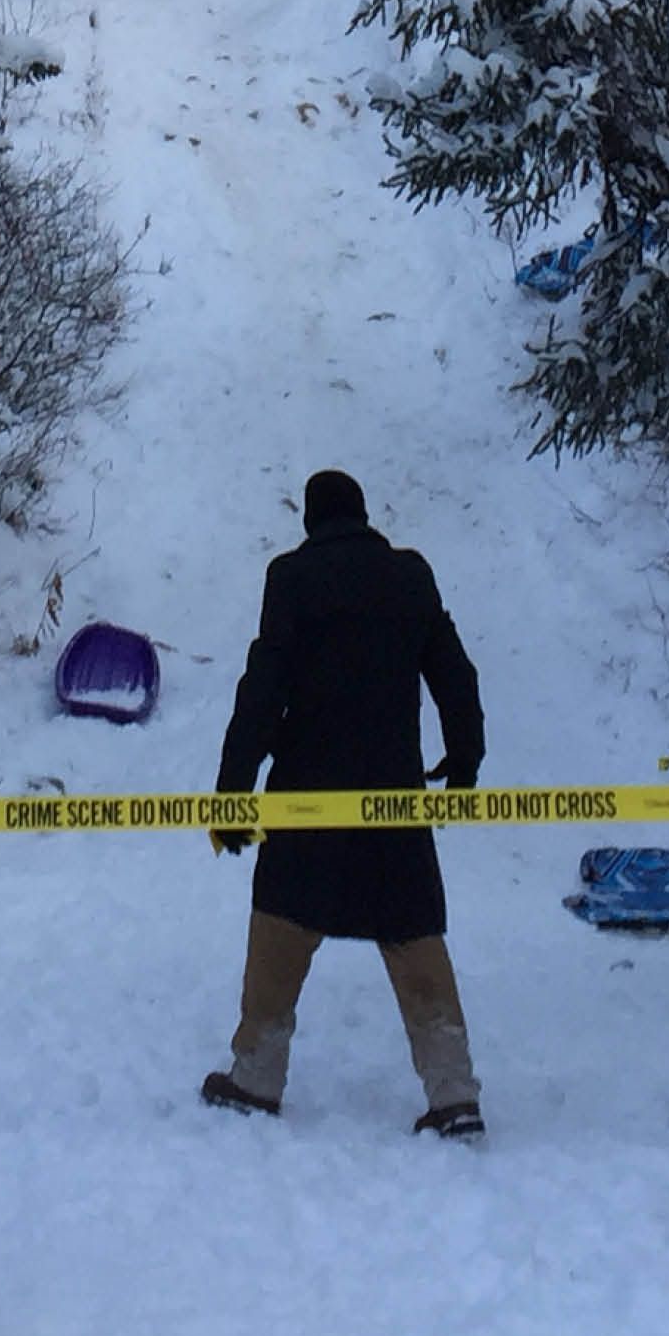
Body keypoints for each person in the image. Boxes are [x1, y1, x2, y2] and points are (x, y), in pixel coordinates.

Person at [200, 469, 488, 1139]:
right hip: (394, 795)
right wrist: (465, 758)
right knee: (414, 935)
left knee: (280, 926)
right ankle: (454, 1094)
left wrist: (233, 792)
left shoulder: (292, 578)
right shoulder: (410, 576)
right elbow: (454, 671)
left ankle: (256, 1076)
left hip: (307, 795)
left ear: (309, 521)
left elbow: (262, 691)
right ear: (365, 515)